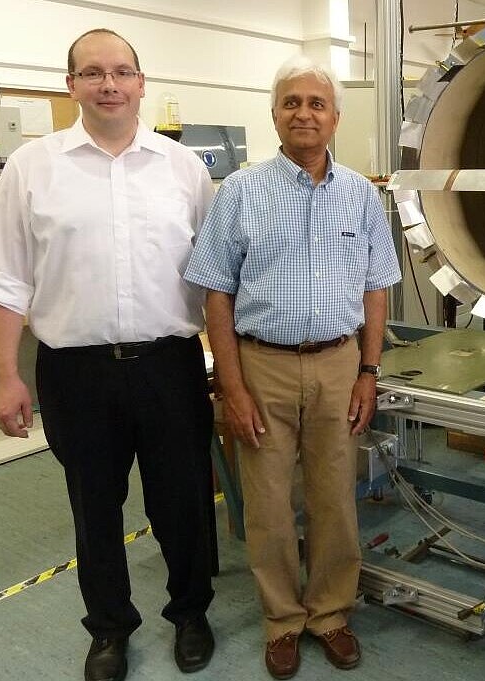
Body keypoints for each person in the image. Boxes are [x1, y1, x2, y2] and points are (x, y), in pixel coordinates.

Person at [0, 28, 216, 681]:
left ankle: (191, 612)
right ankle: (109, 628)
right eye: (92, 72)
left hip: (170, 363)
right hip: (74, 372)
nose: (107, 84)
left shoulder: (184, 169)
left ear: (142, 83)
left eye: (120, 72)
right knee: (94, 510)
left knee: (184, 503)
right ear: (71, 85)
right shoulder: (32, 167)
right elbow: (4, 279)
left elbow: (216, 277)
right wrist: (4, 375)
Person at [184, 55, 401, 679]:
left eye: (316, 104)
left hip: (338, 364)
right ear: (274, 114)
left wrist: (368, 369)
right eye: (291, 103)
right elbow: (214, 294)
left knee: (336, 497)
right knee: (269, 503)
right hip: (263, 368)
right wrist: (233, 387)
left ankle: (331, 613)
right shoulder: (240, 193)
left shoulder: (362, 195)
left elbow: (377, 290)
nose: (304, 113)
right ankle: (282, 620)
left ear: (335, 117)